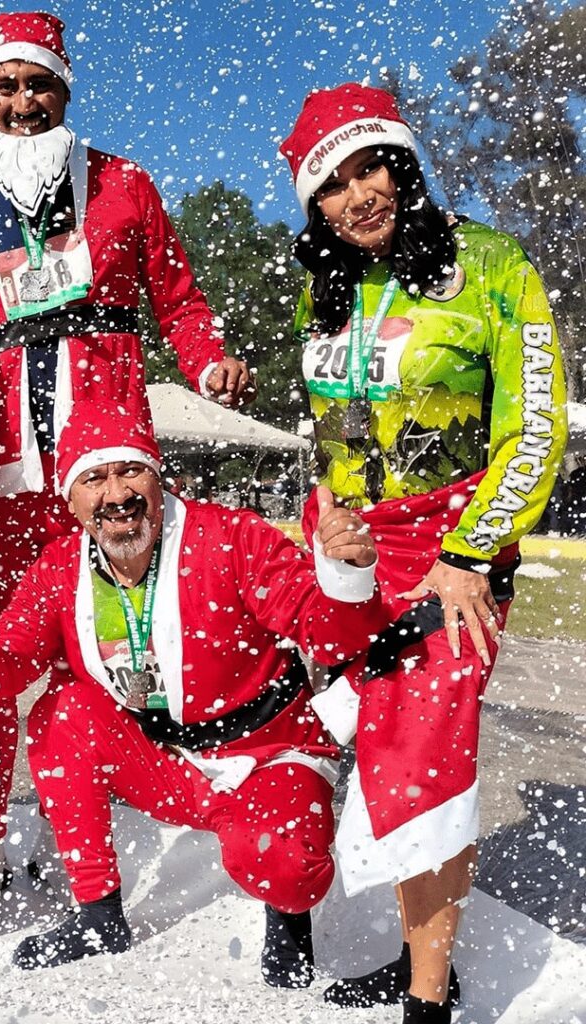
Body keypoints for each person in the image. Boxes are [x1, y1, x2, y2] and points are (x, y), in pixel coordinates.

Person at [0, 10, 255, 909]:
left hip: (101, 464)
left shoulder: (124, 183)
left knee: (99, 656)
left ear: (65, 88)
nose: (23, 103)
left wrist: (207, 355)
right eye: (6, 87)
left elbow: (178, 298)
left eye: (40, 85)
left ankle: (100, 845)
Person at [0, 398, 392, 981]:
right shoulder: (58, 567)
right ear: (70, 502)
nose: (115, 494)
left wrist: (346, 579)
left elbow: (328, 636)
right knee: (61, 712)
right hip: (164, 762)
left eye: (130, 471)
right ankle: (98, 914)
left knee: (285, 864)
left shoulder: (232, 536)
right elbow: (0, 677)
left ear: (159, 476)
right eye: (94, 478)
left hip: (268, 751)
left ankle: (289, 920)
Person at [278, 83, 567, 1024]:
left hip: (458, 557)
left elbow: (535, 428)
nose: (359, 195)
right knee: (323, 732)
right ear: (313, 201)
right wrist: (326, 525)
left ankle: (430, 1003)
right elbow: (327, 434)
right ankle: (350, 938)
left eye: (373, 168)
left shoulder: (490, 261)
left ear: (402, 162)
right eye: (334, 183)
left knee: (423, 756)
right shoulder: (322, 289)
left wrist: (471, 552)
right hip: (357, 561)